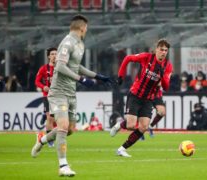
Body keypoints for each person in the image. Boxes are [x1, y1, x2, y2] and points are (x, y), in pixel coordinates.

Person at [31, 14, 113, 177]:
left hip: (71, 93)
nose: (86, 30)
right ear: (82, 27)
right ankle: (63, 165)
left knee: (69, 130)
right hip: (58, 92)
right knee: (61, 126)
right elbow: (60, 66)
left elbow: (76, 66)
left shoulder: (80, 44)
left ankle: (42, 140)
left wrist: (97, 76)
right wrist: (80, 79)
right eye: (86, 27)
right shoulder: (68, 42)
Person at [110, 39, 173, 157]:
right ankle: (120, 125)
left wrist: (163, 75)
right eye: (161, 49)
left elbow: (166, 87)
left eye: (166, 50)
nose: (163, 52)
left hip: (148, 99)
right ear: (156, 50)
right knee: (130, 125)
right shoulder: (146, 57)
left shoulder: (168, 66)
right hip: (135, 95)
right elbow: (128, 58)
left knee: (143, 127)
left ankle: (122, 149)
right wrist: (121, 75)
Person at [35, 47, 57, 147]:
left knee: (58, 119)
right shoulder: (44, 68)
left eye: (56, 54)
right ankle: (49, 140)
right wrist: (43, 87)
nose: (54, 56)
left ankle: (45, 115)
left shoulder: (61, 68)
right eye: (52, 54)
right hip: (48, 96)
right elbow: (37, 81)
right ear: (48, 56)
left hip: (59, 97)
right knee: (50, 118)